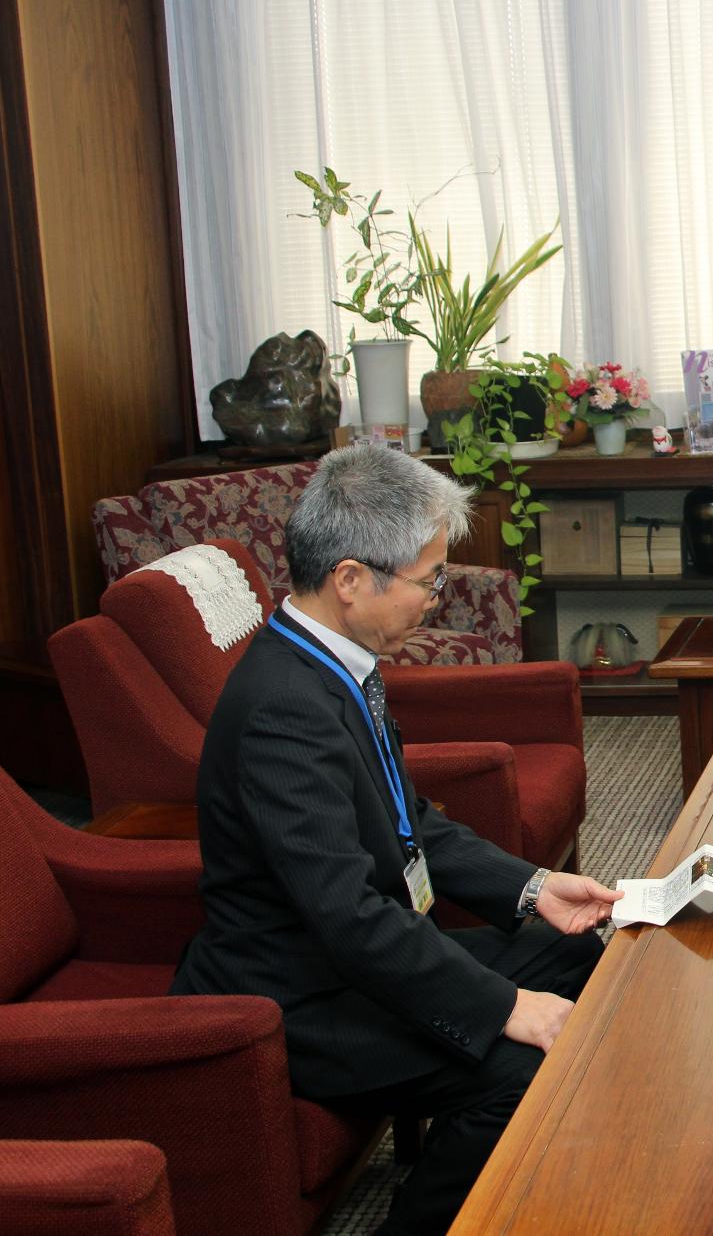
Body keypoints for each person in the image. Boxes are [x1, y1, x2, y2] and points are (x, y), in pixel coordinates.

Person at [170, 444, 622, 1236]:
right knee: (518, 1068)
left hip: (362, 955)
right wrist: (504, 1007)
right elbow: (345, 915)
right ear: (350, 579)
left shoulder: (338, 663)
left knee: (583, 951)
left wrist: (533, 887)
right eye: (428, 580)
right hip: (299, 994)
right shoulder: (284, 708)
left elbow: (411, 821)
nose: (437, 599)